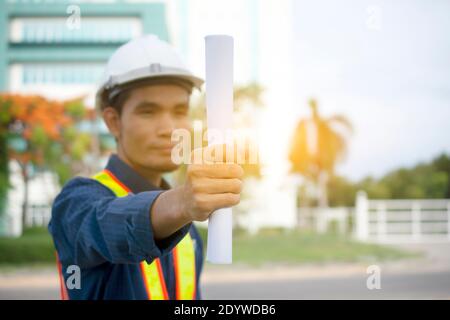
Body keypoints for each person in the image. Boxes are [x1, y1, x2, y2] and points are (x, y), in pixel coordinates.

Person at [48, 35, 243, 300]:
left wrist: (183, 206)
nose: (169, 129)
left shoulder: (187, 225)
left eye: (179, 110)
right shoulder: (75, 204)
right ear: (114, 122)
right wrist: (182, 203)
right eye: (148, 112)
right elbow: (106, 223)